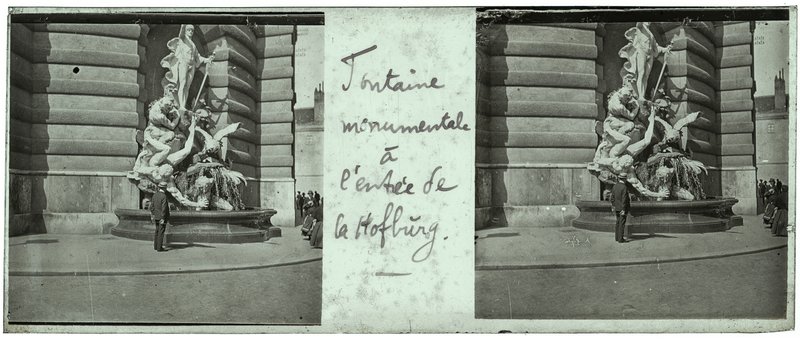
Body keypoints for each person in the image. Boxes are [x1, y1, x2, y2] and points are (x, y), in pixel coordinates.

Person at [150, 181, 171, 252]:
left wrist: (153, 214)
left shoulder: (155, 195)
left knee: (157, 231)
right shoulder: (164, 196)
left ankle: (155, 246)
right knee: (161, 232)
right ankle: (159, 248)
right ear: (165, 188)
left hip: (156, 216)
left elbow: (151, 207)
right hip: (162, 217)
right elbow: (164, 208)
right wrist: (163, 218)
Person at [611, 173, 631, 243]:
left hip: (616, 207)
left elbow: (612, 198)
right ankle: (620, 239)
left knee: (617, 222)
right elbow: (624, 199)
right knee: (622, 223)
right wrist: (623, 209)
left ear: (619, 178)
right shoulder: (624, 187)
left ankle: (617, 237)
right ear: (625, 179)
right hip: (622, 208)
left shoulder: (615, 186)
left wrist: (613, 206)